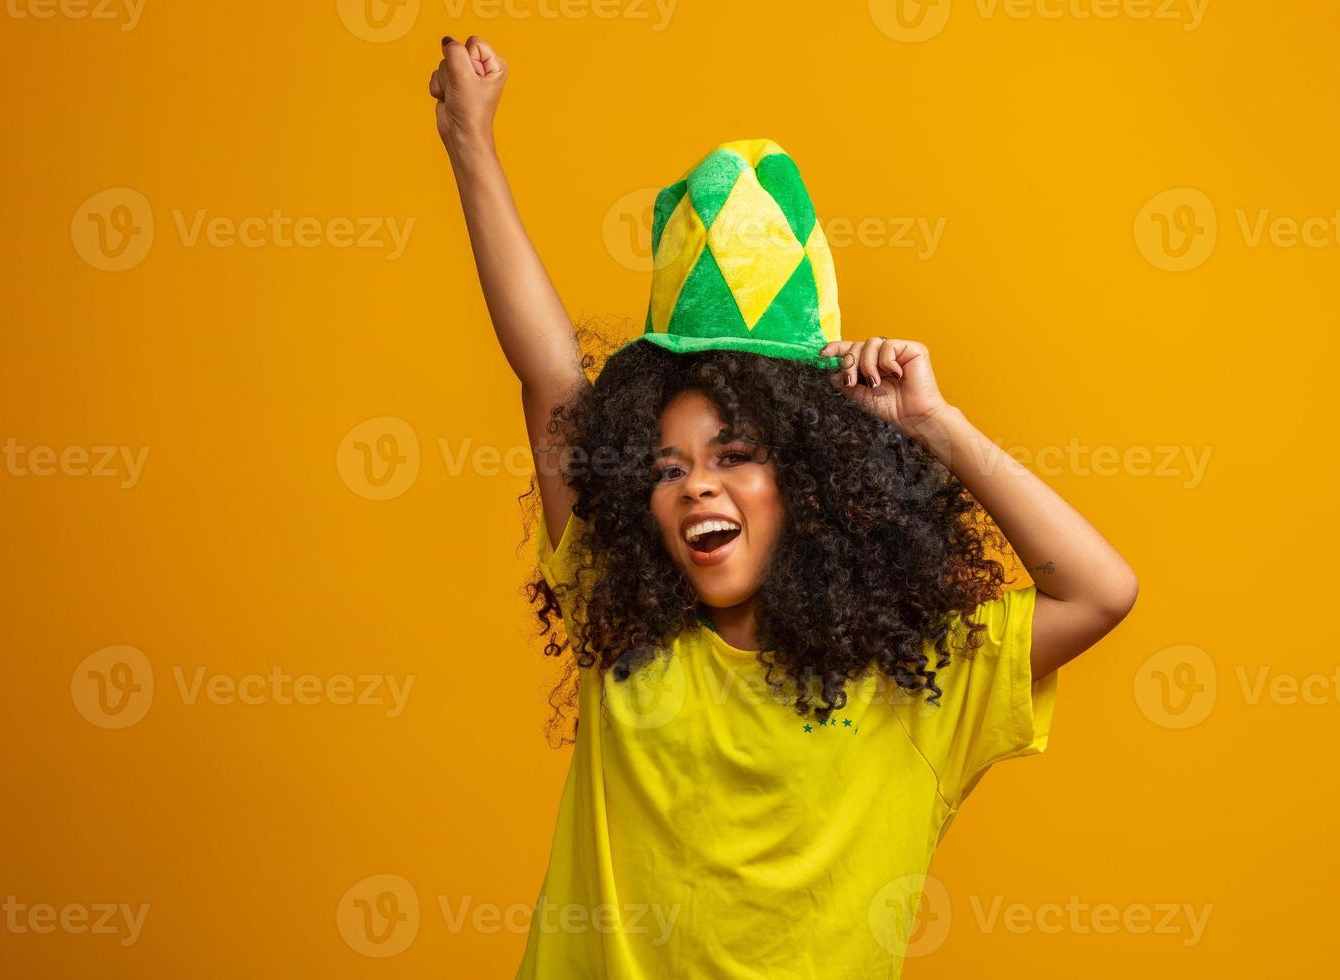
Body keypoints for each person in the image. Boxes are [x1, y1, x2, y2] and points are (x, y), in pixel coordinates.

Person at [430, 34, 1139, 979]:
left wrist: (935, 424)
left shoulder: (916, 685)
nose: (698, 486)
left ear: (810, 480)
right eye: (667, 466)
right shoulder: (627, 633)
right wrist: (470, 141)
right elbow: (554, 377)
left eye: (735, 457)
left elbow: (1099, 591)